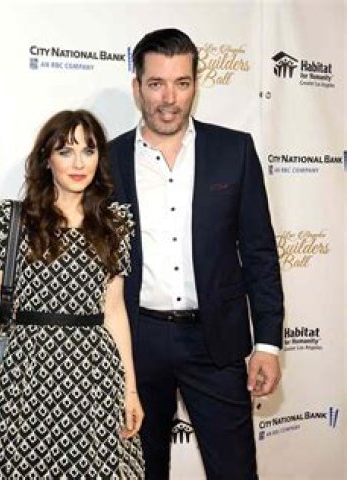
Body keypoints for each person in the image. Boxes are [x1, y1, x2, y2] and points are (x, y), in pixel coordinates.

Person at [108, 28, 284, 479]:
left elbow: (260, 253)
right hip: (138, 343)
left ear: (195, 85)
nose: (169, 98)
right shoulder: (107, 161)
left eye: (181, 83)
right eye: (156, 83)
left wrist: (267, 343)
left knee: (235, 471)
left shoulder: (234, 151)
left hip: (216, 341)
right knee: (141, 471)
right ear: (137, 87)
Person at [0, 110, 145, 478]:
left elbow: (114, 311)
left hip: (94, 377)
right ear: (46, 159)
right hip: (24, 375)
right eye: (66, 151)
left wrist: (130, 390)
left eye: (89, 150)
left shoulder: (115, 223)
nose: (79, 163)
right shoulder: (11, 219)